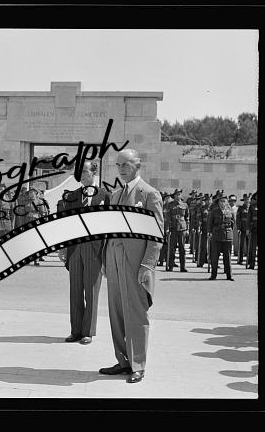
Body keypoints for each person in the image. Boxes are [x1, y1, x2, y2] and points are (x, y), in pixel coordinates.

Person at [99, 149, 163, 384]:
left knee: (135, 313)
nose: (121, 169)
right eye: (118, 165)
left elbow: (156, 233)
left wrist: (148, 265)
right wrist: (105, 260)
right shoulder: (116, 195)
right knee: (116, 312)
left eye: (126, 164)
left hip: (135, 263)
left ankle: (138, 364)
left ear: (138, 165)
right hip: (113, 259)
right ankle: (123, 361)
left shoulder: (149, 194)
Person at [58, 160, 111, 345]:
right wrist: (63, 247)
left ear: (93, 173)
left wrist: (106, 255)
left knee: (91, 291)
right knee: (75, 291)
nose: (80, 175)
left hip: (94, 249)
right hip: (75, 248)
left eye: (84, 171)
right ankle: (75, 330)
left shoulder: (105, 196)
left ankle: (88, 331)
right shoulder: (72, 196)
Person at [207, 194, 235, 280]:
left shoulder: (230, 211)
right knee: (215, 257)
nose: (223, 203)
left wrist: (230, 232)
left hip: (227, 236)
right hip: (217, 235)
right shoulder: (214, 211)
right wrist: (209, 232)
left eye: (224, 201)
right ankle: (213, 275)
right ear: (218, 202)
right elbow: (210, 223)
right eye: (221, 201)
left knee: (227, 257)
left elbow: (233, 223)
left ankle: (229, 275)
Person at [166, 189, 189, 272]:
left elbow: (187, 218)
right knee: (172, 248)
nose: (178, 196)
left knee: (182, 248)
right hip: (173, 228)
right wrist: (167, 228)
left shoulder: (185, 205)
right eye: (176, 194)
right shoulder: (170, 205)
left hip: (182, 228)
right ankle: (171, 266)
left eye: (179, 194)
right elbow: (168, 217)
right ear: (174, 196)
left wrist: (187, 229)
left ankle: (183, 267)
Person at [26, 187, 49, 266]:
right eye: (30, 193)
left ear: (36, 194)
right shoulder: (26, 202)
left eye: (32, 192)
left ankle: (36, 260)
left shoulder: (40, 202)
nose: (31, 194)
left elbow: (43, 213)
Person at [196, 194, 211, 268]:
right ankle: (200, 262)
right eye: (207, 200)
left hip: (212, 230)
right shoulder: (201, 209)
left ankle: (212, 262)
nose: (208, 201)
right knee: (203, 246)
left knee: (212, 247)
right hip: (204, 228)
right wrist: (199, 228)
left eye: (209, 200)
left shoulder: (214, 209)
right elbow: (199, 219)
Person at [236, 194, 250, 265]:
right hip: (242, 228)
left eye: (248, 200)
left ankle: (249, 260)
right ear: (244, 201)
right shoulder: (241, 208)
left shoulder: (251, 208)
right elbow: (238, 219)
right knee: (241, 245)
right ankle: (240, 260)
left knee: (249, 245)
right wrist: (238, 228)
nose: (247, 201)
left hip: (249, 229)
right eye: (246, 200)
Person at [246, 191, 258, 269]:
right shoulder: (252, 206)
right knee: (253, 248)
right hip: (254, 229)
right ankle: (252, 264)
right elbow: (248, 219)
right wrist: (248, 229)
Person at [228, 194, 239, 259]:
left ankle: (236, 252)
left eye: (234, 200)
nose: (232, 202)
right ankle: (228, 252)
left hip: (236, 226)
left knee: (236, 240)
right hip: (228, 226)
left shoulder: (238, 208)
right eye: (231, 200)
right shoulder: (227, 208)